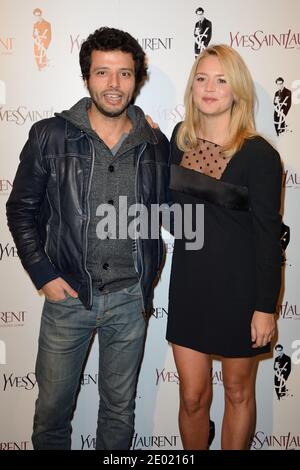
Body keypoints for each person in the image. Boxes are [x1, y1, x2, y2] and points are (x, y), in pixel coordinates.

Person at [6, 27, 169, 450]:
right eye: (103, 73)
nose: (114, 85)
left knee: (119, 413)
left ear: (137, 79)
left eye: (124, 74)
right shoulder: (50, 135)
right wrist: (42, 273)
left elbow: (174, 209)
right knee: (52, 416)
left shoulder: (154, 143)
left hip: (131, 300)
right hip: (68, 299)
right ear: (87, 78)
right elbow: (20, 209)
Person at [166, 44, 282, 450]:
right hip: (190, 289)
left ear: (237, 90)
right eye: (202, 78)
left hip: (240, 293)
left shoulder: (259, 154)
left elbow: (269, 236)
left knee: (237, 393)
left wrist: (265, 306)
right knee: (192, 398)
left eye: (221, 80)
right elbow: (170, 215)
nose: (210, 88)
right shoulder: (177, 145)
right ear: (192, 88)